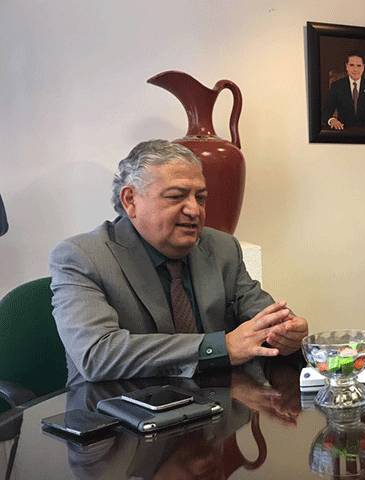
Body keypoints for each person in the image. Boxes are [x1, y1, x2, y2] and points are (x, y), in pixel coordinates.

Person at [50, 140, 308, 385]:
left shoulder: (222, 248)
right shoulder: (83, 256)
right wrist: (219, 347)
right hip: (117, 407)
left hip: (215, 404)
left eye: (201, 198)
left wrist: (287, 334)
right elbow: (97, 355)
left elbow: (264, 319)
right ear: (130, 200)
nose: (194, 210)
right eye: (176, 196)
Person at [321, 52, 365, 131]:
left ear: (363, 67)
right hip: (342, 130)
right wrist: (332, 120)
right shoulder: (337, 86)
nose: (355, 69)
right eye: (352, 65)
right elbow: (326, 112)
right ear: (347, 66)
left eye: (359, 65)